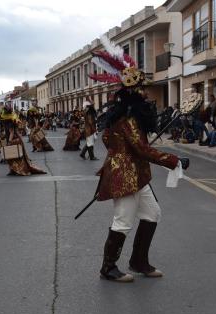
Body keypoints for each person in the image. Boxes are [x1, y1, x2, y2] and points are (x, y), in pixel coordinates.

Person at [88, 41, 189, 282]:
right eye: (141, 89)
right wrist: (174, 160)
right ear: (132, 93)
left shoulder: (125, 116)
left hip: (136, 174)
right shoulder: (128, 118)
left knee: (152, 213)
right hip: (125, 177)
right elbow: (142, 149)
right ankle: (108, 268)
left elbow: (108, 139)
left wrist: (121, 150)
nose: (144, 93)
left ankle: (138, 261)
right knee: (122, 221)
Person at [0, 109, 46, 176]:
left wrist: (9, 142)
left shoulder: (9, 122)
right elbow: (17, 132)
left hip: (13, 140)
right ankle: (13, 170)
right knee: (18, 156)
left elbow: (12, 132)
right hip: (17, 140)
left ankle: (14, 170)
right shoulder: (14, 120)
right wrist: (21, 140)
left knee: (11, 156)